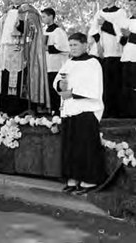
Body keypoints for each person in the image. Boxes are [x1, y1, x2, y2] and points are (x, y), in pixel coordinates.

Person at [54, 32, 107, 195]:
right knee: (71, 147)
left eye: (75, 45)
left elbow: (94, 87)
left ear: (85, 45)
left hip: (86, 111)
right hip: (70, 110)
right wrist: (59, 86)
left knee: (85, 147)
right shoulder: (69, 62)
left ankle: (88, 181)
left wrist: (72, 93)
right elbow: (57, 80)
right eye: (70, 45)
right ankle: (73, 178)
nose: (72, 48)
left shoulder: (93, 63)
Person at [0, 0, 50, 115]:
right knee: (4, 79)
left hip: (20, 52)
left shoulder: (30, 12)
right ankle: (3, 108)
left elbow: (34, 31)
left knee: (17, 82)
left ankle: (18, 110)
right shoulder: (6, 12)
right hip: (5, 52)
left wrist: (22, 23)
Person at [88, 0, 128, 118]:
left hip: (115, 51)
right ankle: (104, 110)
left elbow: (121, 32)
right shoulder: (100, 12)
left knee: (115, 82)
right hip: (102, 51)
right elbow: (94, 30)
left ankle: (116, 111)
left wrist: (105, 24)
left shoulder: (121, 12)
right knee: (103, 82)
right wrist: (98, 46)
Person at [41, 8, 69, 115]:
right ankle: (53, 110)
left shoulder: (58, 31)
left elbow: (63, 47)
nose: (42, 19)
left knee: (57, 88)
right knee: (50, 89)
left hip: (58, 65)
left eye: (44, 16)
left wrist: (46, 48)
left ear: (51, 16)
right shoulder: (44, 31)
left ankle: (60, 111)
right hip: (48, 65)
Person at [120, 0, 136, 117]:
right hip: (127, 57)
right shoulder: (127, 21)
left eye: (134, 5)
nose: (131, 8)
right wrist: (125, 36)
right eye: (130, 5)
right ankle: (128, 113)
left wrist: (130, 35)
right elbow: (122, 41)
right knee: (127, 86)